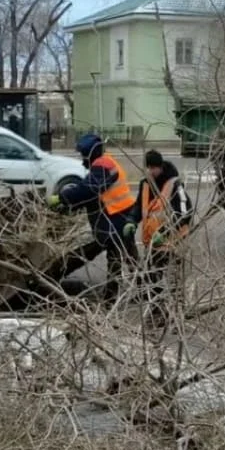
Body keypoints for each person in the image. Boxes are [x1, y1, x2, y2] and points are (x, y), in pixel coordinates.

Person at [47, 134, 139, 304]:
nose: (82, 160)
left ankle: (116, 297)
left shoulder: (103, 165)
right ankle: (137, 291)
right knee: (125, 256)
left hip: (117, 219)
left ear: (91, 153)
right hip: (119, 217)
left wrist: (62, 198)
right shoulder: (104, 162)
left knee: (117, 258)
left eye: (84, 155)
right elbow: (93, 195)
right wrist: (70, 205)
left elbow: (88, 190)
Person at [125, 150, 194, 326]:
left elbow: (184, 213)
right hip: (152, 245)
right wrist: (132, 220)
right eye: (147, 167)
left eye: (153, 167)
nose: (150, 171)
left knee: (173, 281)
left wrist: (163, 233)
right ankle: (157, 313)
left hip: (172, 242)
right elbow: (139, 206)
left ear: (160, 167)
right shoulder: (145, 185)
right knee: (152, 280)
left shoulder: (174, 185)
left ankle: (177, 313)